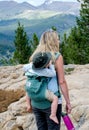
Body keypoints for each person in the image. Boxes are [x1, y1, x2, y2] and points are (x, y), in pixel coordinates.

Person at [27, 29, 71, 130]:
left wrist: (29, 102)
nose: (59, 41)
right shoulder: (56, 56)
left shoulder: (34, 56)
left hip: (36, 101)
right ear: (53, 41)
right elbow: (61, 81)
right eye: (58, 39)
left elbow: (30, 80)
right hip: (51, 102)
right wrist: (68, 102)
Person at [24, 52, 61, 124]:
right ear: (45, 65)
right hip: (40, 92)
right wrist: (50, 65)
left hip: (30, 87)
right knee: (55, 98)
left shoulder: (30, 68)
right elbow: (53, 73)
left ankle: (28, 105)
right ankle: (53, 115)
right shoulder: (44, 71)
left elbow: (25, 67)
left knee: (28, 92)